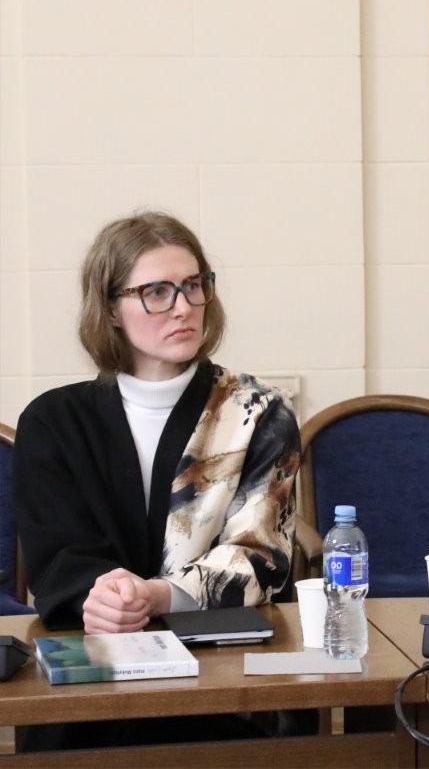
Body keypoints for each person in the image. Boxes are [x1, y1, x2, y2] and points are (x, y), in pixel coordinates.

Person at [14, 211, 299, 634]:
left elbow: (261, 553)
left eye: (193, 286)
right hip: (96, 639)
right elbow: (58, 556)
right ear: (111, 309)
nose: (183, 308)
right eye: (157, 292)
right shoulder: (52, 422)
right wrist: (109, 598)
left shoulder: (259, 411)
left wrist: (160, 595)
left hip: (225, 643)